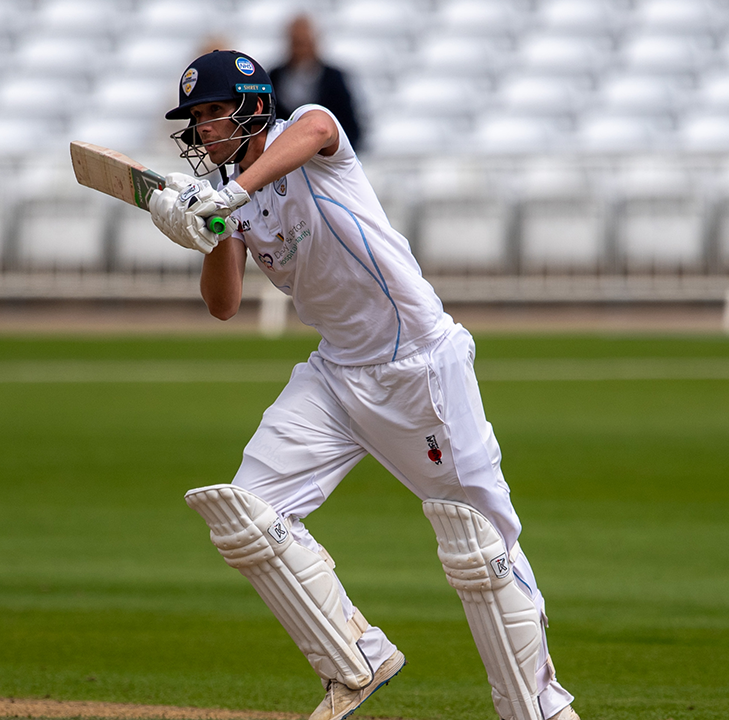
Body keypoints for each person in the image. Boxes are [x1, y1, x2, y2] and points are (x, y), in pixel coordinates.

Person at [146, 49, 580, 720]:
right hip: (336, 374)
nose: (202, 130)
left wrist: (229, 194)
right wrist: (208, 231)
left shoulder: (310, 133)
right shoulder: (234, 197)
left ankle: (540, 710)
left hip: (418, 366)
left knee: (478, 545)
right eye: (194, 119)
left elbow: (316, 131)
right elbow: (224, 304)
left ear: (254, 105)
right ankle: (359, 659)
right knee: (247, 514)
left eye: (210, 113)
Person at [269, 15, 361, 149]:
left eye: (304, 43)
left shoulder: (334, 78)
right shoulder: (274, 77)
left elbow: (349, 122)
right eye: (296, 43)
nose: (300, 49)